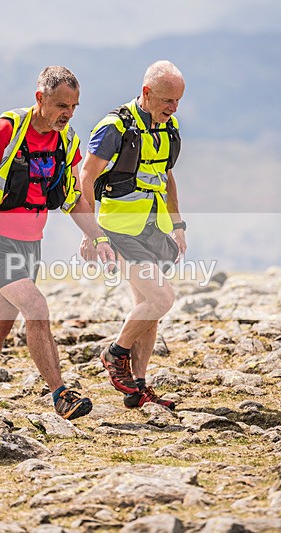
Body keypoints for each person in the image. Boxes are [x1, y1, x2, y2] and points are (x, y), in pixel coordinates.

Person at [0, 66, 115, 420]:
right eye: (62, 106)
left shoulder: (66, 142)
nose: (68, 114)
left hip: (31, 244)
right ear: (40, 98)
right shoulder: (5, 131)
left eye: (74, 107)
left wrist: (97, 236)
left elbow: (73, 200)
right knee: (36, 307)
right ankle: (60, 394)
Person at [79, 60, 187, 410]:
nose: (174, 108)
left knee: (148, 309)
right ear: (146, 92)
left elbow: (166, 177)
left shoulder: (169, 128)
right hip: (118, 231)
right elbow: (85, 176)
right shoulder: (114, 128)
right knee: (162, 299)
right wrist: (91, 233)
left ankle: (137, 387)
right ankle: (114, 353)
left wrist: (178, 225)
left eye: (178, 101)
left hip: (152, 229)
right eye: (167, 100)